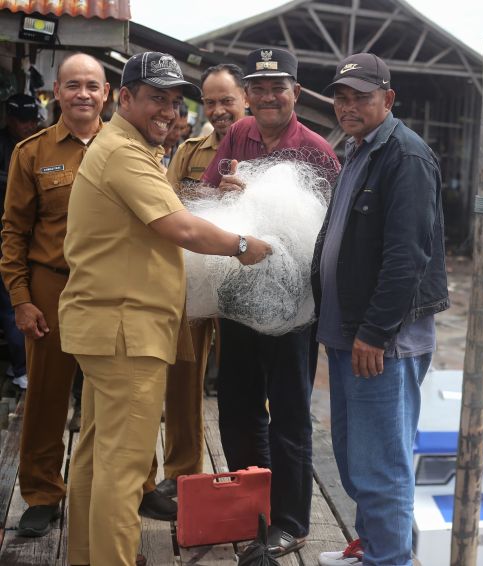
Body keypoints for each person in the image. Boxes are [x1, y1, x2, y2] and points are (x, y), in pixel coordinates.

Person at [59, 51, 272, 566]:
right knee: (125, 466)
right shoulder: (126, 154)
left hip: (108, 325)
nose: (169, 111)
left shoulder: (125, 148)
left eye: (176, 102)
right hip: (126, 331)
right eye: (156, 98)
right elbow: (181, 227)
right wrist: (245, 245)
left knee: (95, 454)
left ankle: (87, 557)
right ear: (124, 97)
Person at [200, 47, 339, 556]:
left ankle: (290, 520)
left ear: (296, 93)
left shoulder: (318, 151)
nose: (266, 97)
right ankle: (247, 500)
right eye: (257, 88)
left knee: (289, 414)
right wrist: (231, 194)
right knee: (235, 405)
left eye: (277, 87)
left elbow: (332, 235)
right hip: (239, 295)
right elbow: (208, 195)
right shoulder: (238, 134)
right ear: (249, 95)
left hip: (294, 307)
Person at [313, 53, 449, 566]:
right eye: (342, 97)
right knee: (355, 458)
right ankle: (370, 548)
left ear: (388, 100)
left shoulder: (405, 157)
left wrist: (375, 330)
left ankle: (389, 560)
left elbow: (407, 256)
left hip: (381, 343)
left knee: (383, 465)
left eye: (362, 97)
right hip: (350, 335)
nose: (349, 106)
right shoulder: (357, 151)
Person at [0, 54, 107, 538]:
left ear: (107, 94)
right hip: (52, 287)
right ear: (56, 93)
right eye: (73, 85)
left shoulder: (133, 149)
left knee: (120, 391)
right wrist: (21, 298)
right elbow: (14, 232)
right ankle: (42, 493)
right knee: (45, 395)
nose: (83, 94)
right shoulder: (31, 153)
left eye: (92, 85)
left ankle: (135, 484)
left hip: (115, 287)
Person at [139, 63, 248, 518]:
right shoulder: (187, 151)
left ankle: (245, 470)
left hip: (243, 283)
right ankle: (182, 469)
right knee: (184, 375)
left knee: (243, 381)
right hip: (195, 278)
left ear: (246, 99)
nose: (219, 110)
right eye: (210, 101)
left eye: (227, 100)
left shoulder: (264, 148)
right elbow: (169, 208)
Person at [0, 93, 40, 393]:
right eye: (20, 119)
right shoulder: (17, 148)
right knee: (12, 302)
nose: (26, 125)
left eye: (30, 119)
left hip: (32, 241)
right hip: (9, 236)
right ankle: (22, 367)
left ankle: (27, 367)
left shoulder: (41, 145)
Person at [162, 101, 189, 167]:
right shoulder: (146, 150)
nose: (178, 134)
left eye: (182, 128)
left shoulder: (183, 153)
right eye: (174, 127)